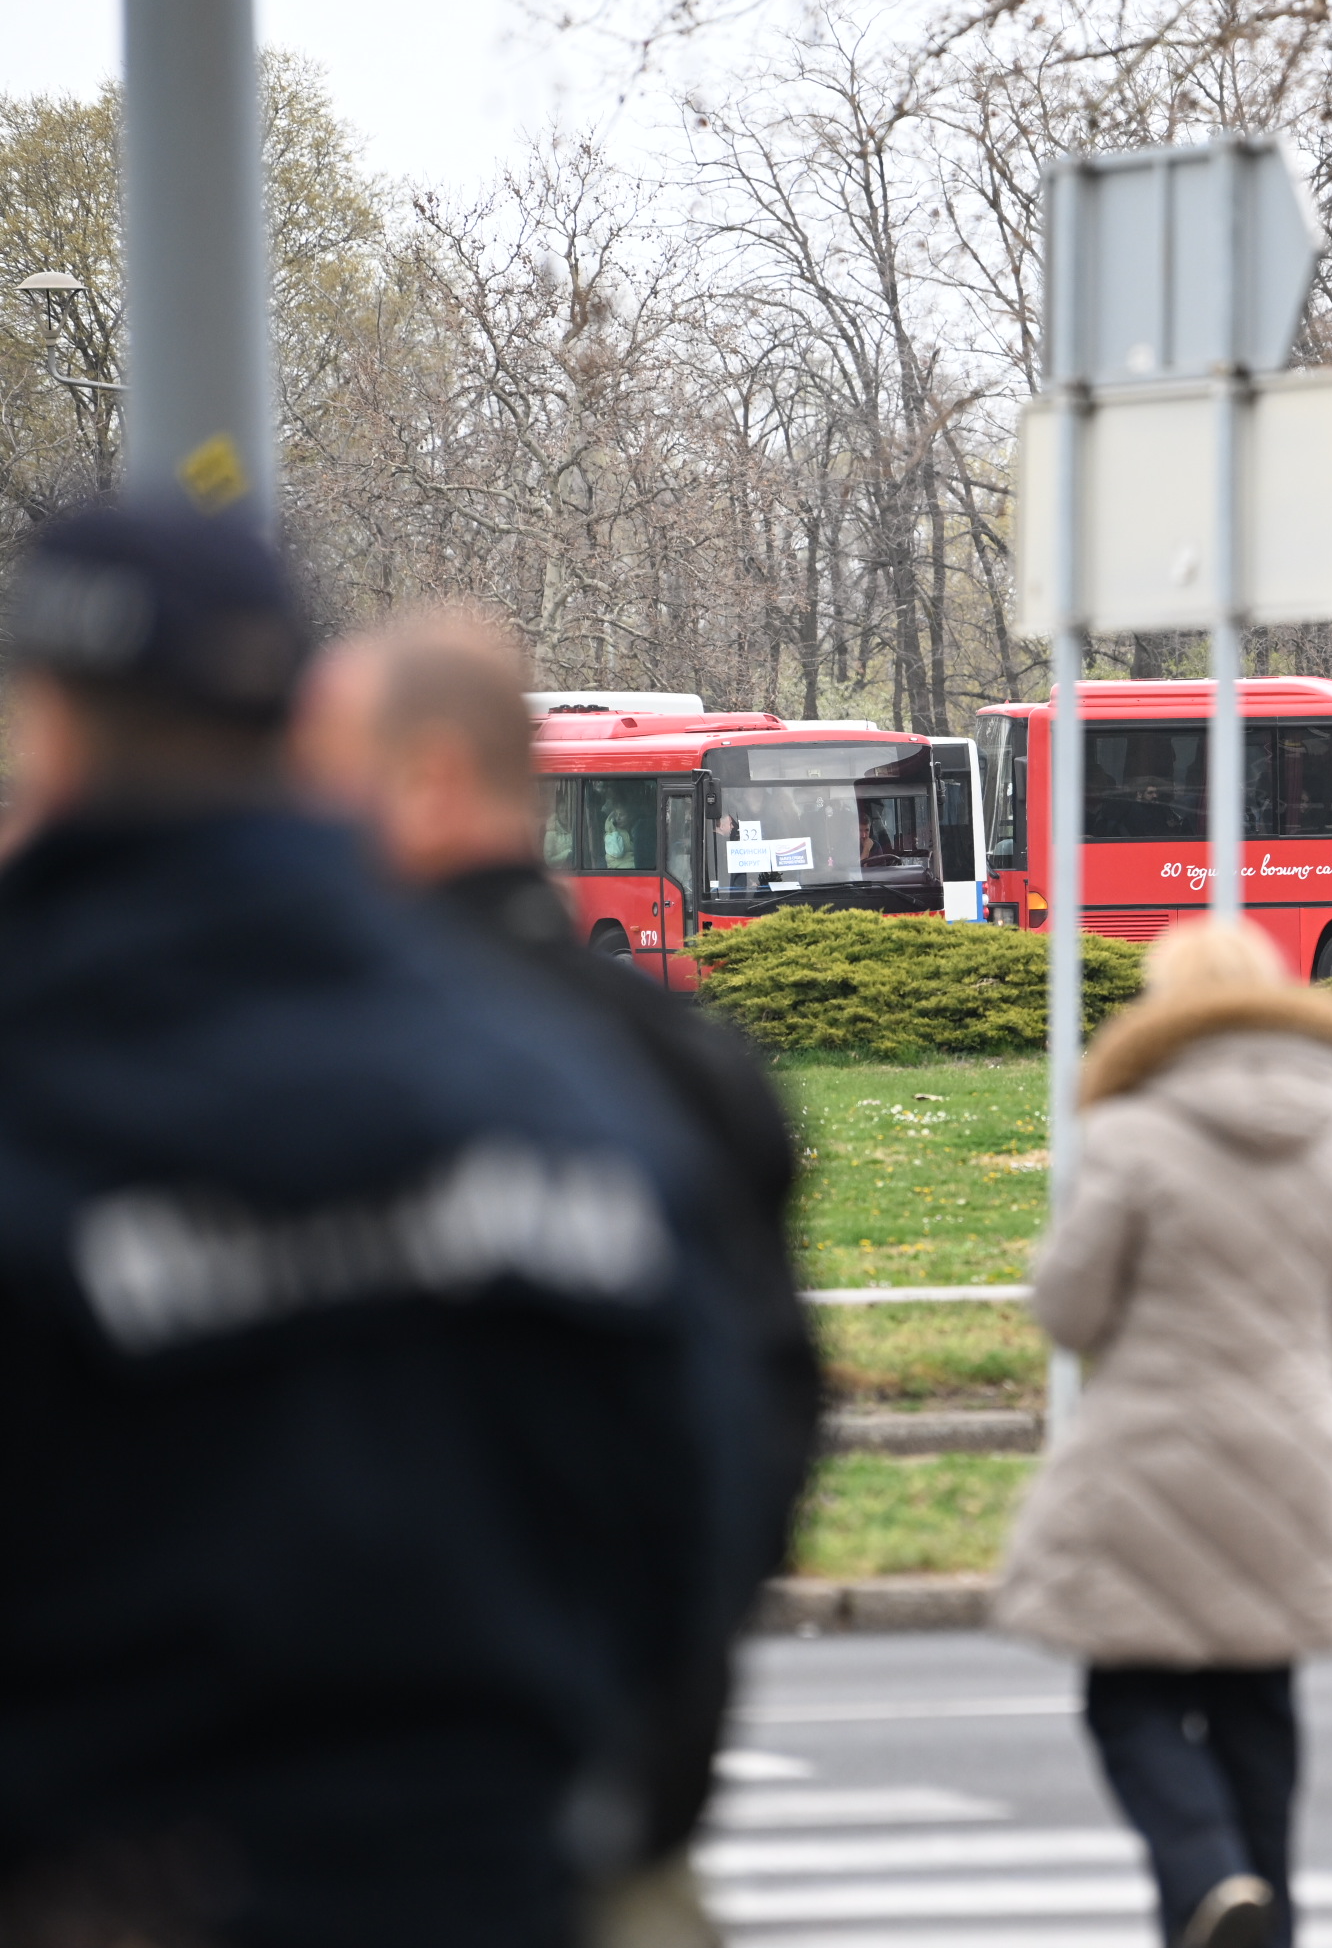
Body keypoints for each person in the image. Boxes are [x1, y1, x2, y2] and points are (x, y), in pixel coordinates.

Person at [0, 501, 759, 1946]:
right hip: (493, 1877)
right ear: (293, 722)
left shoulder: (41, 1081)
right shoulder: (551, 1080)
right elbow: (695, 1493)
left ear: (50, 723)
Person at [289, 617, 821, 1947]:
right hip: (624, 1808)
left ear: (431, 783)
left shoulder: (321, 1058)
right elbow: (764, 1431)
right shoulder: (690, 1065)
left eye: (321, 782)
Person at [993, 920, 1332, 1948]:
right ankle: (1263, 1909)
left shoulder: (1128, 1139)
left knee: (1129, 1696)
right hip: (1290, 1455)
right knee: (1259, 1701)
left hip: (1152, 1450)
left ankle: (1211, 1878)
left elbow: (1070, 1312)